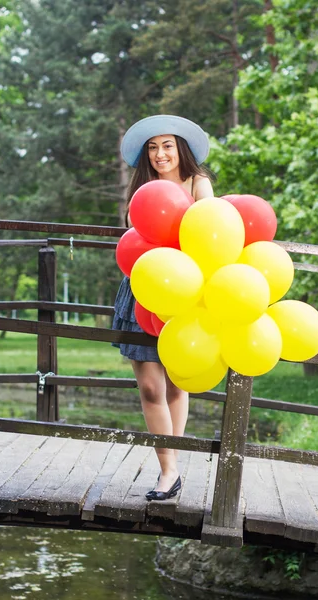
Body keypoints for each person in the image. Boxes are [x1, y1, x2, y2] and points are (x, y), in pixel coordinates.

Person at [113, 115, 214, 501]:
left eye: (167, 145)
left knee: (175, 382)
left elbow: (209, 233)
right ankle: (168, 470)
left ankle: (173, 467)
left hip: (186, 291)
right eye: (152, 147)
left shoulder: (198, 183)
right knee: (151, 388)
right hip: (144, 290)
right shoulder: (142, 188)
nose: (160, 154)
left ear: (180, 148)